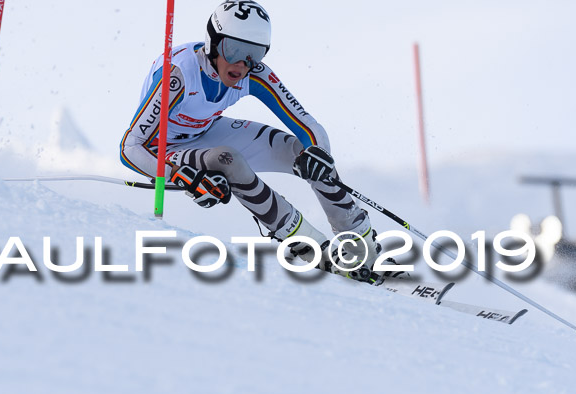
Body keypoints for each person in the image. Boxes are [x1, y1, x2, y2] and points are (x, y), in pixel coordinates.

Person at [120, 0, 388, 283]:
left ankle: (362, 245)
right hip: (164, 148)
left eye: (253, 54)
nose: (241, 65)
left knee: (304, 151)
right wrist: (180, 177)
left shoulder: (254, 73)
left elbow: (307, 124)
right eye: (234, 50)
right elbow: (130, 147)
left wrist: (319, 153)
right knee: (229, 160)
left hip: (206, 130)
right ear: (214, 43)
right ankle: (311, 249)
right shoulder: (179, 76)